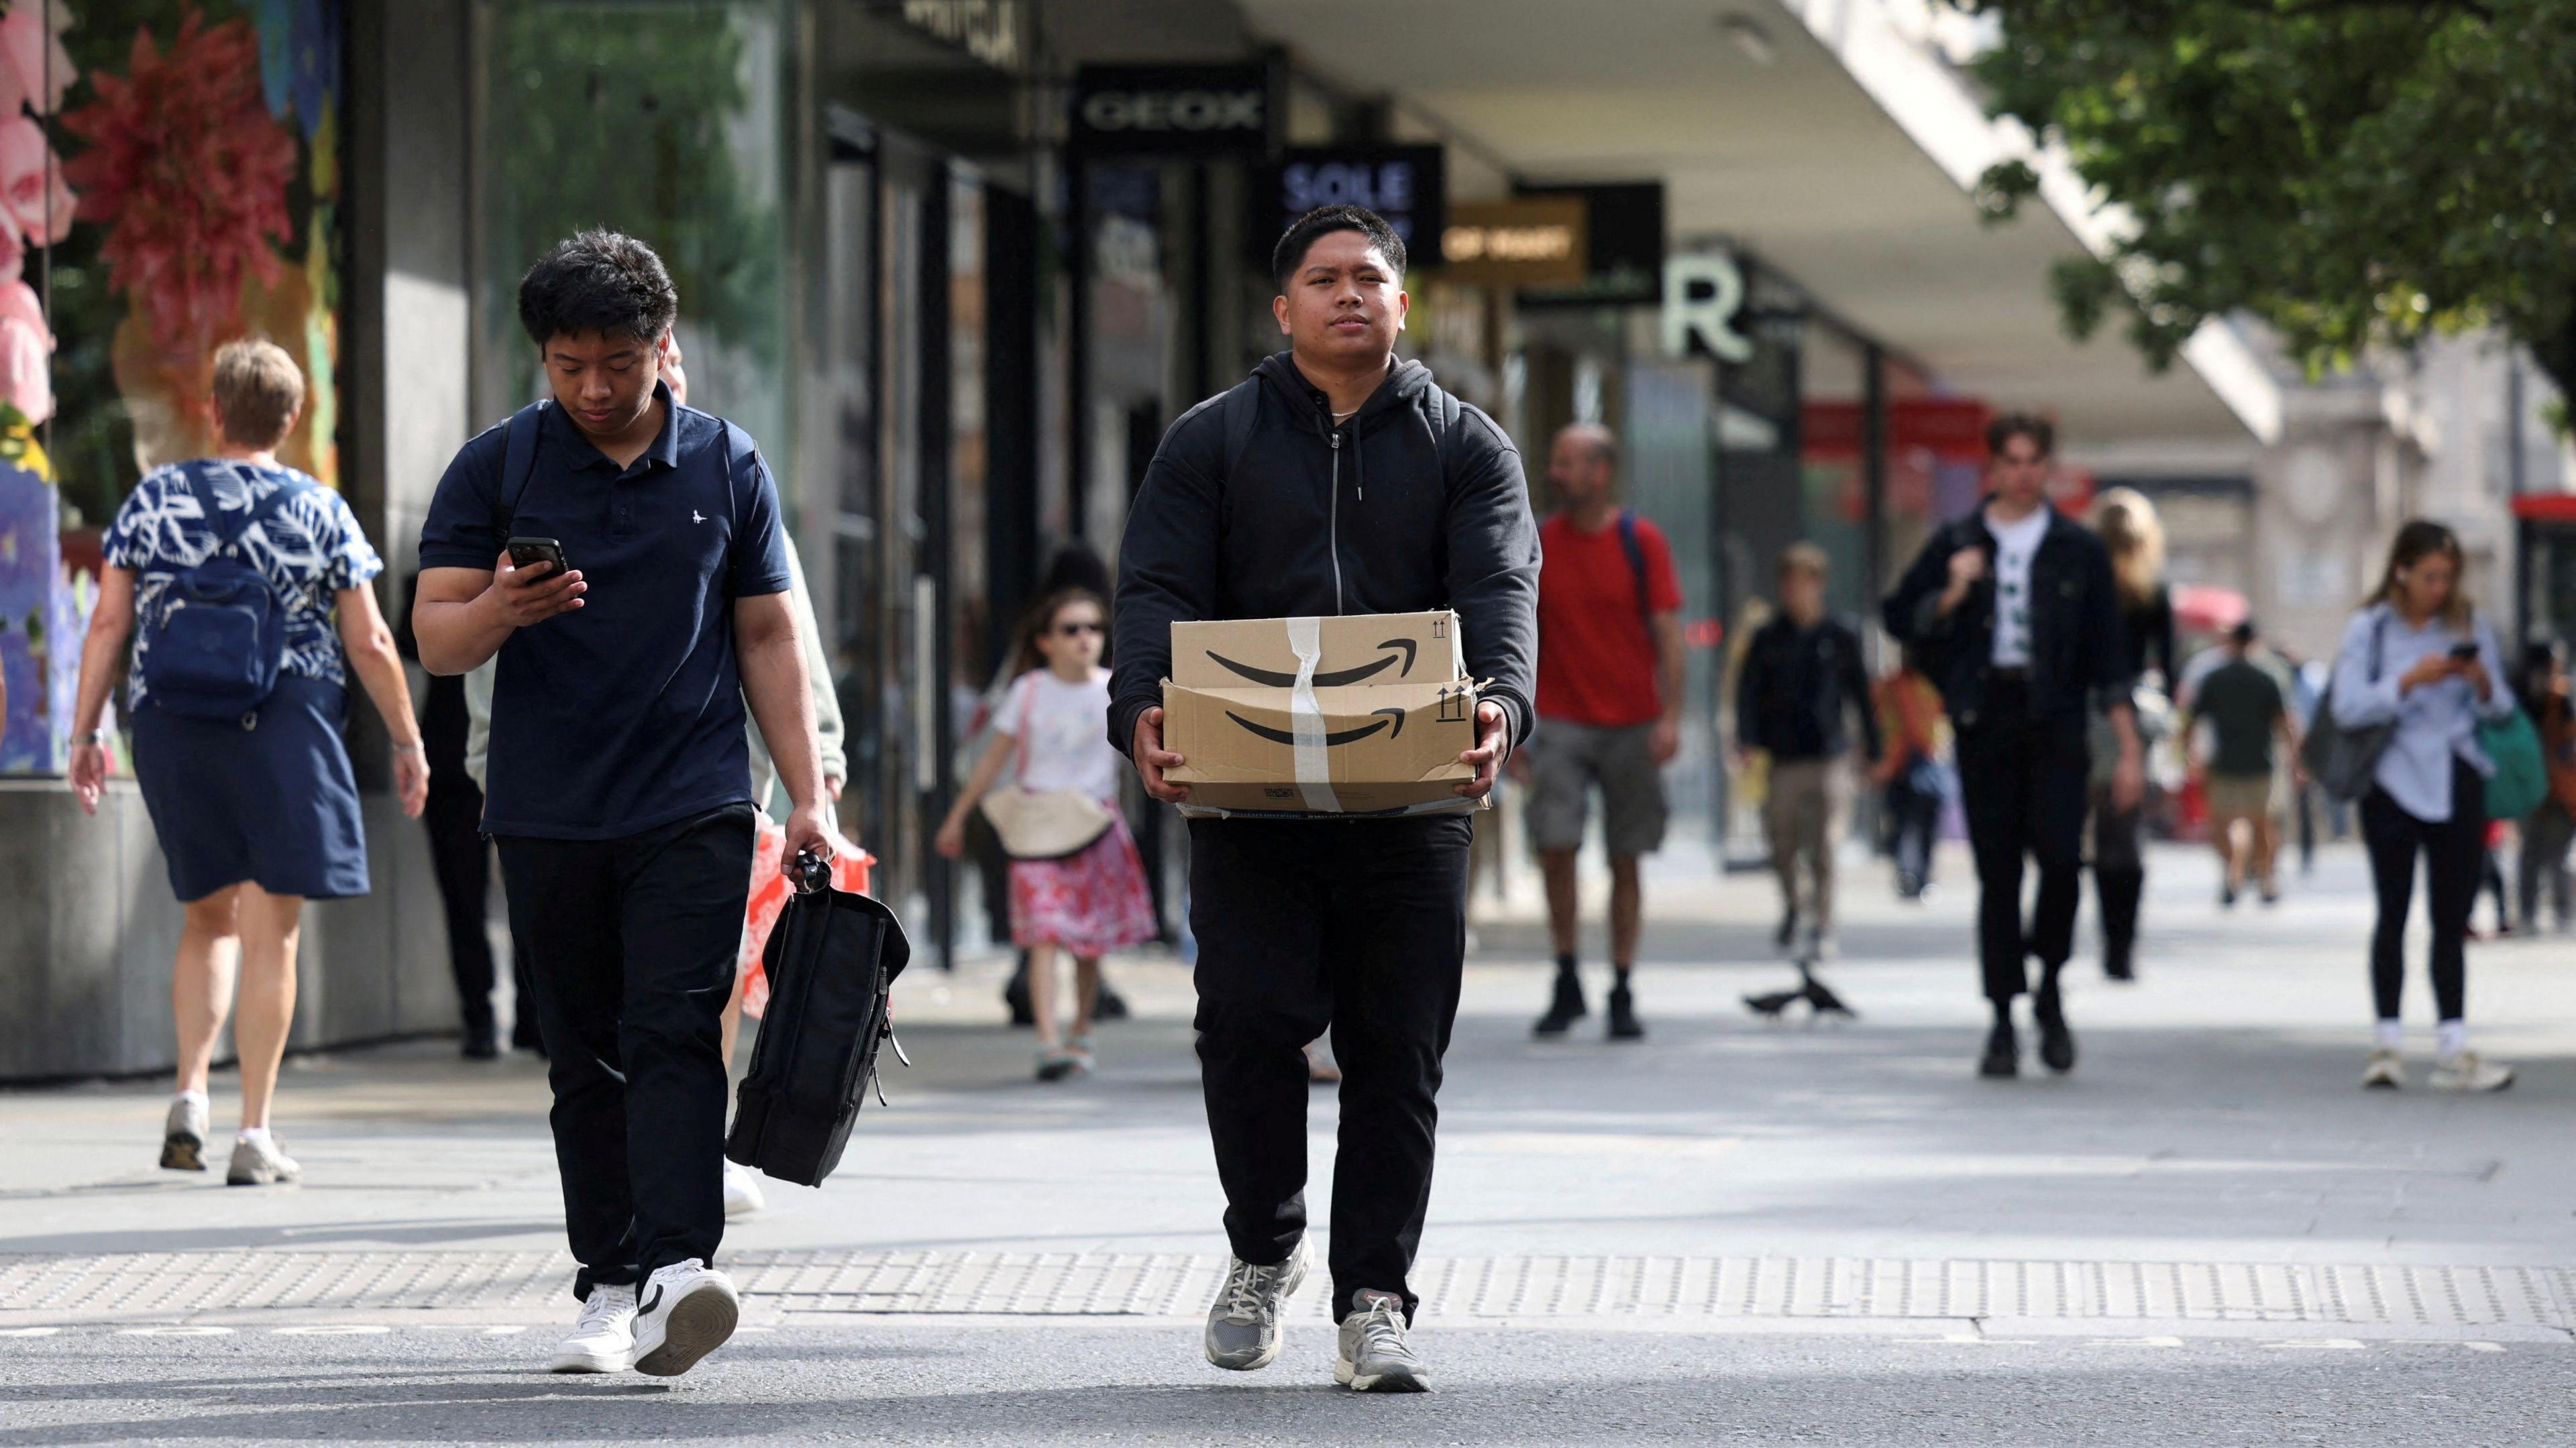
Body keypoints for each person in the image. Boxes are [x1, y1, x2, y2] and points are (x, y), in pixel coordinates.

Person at [1111, 204, 1537, 1393]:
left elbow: (1501, 586)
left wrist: (1501, 699)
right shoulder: (1211, 442)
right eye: (1324, 279)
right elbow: (1154, 584)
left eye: (1370, 278)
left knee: (1397, 1049)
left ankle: (1374, 1298)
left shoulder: (1466, 447)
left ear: (1403, 304)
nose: (1349, 295)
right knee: (1247, 1019)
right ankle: (1264, 1246)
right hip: (1253, 800)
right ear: (1282, 306)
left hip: (1412, 804)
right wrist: (1139, 701)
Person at [413, 231, 837, 1378]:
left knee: (675, 1028)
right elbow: (437, 635)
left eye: (617, 361)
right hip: (547, 805)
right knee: (582, 1053)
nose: (594, 387)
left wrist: (809, 796)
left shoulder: (726, 463)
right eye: (567, 364)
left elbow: (766, 630)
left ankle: (677, 1268)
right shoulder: (498, 466)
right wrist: (504, 605)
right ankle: (607, 1279)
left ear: (665, 346)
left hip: (692, 796)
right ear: (543, 359)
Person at [66, 339, 429, 1184]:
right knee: (276, 928)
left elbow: (108, 626)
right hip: (284, 723)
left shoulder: (152, 500)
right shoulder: (319, 509)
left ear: (214, 409)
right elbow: (372, 638)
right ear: (293, 418)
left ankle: (190, 1090)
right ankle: (254, 1131)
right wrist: (408, 740)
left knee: (208, 916)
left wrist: (86, 733)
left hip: (172, 723)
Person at [1882, 412, 2144, 1080]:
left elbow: (2109, 654)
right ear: (1992, 468)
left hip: (2057, 717)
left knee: (2061, 861)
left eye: (2035, 461)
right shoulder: (1957, 539)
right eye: (2012, 461)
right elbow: (1897, 616)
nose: (2023, 472)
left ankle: (2049, 987)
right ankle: (2003, 1016)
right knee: (1998, 874)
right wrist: (1952, 591)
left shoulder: (2077, 549)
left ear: (2047, 468)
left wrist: (2129, 747)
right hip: (1985, 716)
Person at [937, 589, 1155, 1080]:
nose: (1085, 638)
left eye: (1094, 628)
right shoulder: (1029, 690)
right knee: (1043, 934)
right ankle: (1048, 1040)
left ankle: (1080, 1029)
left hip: (1094, 827)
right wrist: (957, 816)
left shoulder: (1115, 690)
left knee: (1089, 941)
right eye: (1071, 629)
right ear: (1046, 641)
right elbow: (993, 760)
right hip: (1037, 828)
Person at [2328, 520, 2515, 1093]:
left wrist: (2479, 680)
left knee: (2450, 916)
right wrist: (2408, 680)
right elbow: (2348, 706)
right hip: (2391, 780)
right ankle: (2387, 1041)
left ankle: (2454, 1044)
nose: (2439, 587)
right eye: (2430, 575)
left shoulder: (2468, 624)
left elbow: (2502, 710)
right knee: (2392, 910)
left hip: (2456, 777)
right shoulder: (2372, 628)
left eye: (2448, 577)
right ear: (2402, 570)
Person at [1511, 422, 1684, 1041]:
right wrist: (1515, 726)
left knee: (1626, 856)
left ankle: (1621, 984)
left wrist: (1670, 716)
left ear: (1601, 472)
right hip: (1558, 720)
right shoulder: (1539, 542)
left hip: (1632, 722)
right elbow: (1517, 635)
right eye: (1555, 461)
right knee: (1556, 847)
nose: (1556, 472)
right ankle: (1566, 977)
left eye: (1569, 462)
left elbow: (1668, 635)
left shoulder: (1643, 542)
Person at [1733, 543, 1878, 1015]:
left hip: (1830, 755)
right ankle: (1794, 905)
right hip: (1784, 757)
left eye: (1804, 580)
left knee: (1826, 845)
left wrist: (1872, 748)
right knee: (1781, 840)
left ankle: (1822, 923)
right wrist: (1747, 738)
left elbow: (1861, 690)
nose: (1796, 590)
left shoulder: (1840, 635)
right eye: (1789, 581)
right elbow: (1748, 690)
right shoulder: (1769, 636)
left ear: (1818, 583)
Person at [2086, 489, 2175, 981]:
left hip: (2088, 715)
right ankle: (2121, 946)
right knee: (2125, 837)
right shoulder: (2154, 591)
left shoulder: (2085, 587)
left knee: (2090, 839)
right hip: (2134, 721)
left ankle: (2111, 943)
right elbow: (2171, 668)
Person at [2190, 621, 2300, 906]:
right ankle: (2266, 879)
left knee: (2226, 824)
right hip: (2261, 762)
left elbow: (2192, 721)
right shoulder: (2268, 677)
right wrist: (2295, 759)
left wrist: (2191, 757)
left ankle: (2233, 874)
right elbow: (2284, 722)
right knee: (2264, 825)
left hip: (2224, 763)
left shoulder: (2214, 678)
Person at [1872, 648, 1947, 901]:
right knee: (1902, 824)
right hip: (1899, 765)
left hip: (1925, 763)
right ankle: (1906, 874)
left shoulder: (1931, 686)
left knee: (1923, 825)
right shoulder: (1889, 686)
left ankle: (1921, 876)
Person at [2513, 643, 2576, 934]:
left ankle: (2563, 911)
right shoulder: (2520, 703)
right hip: (2533, 788)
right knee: (2532, 854)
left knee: (2555, 854)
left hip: (2560, 788)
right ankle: (2529, 914)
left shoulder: (2563, 700)